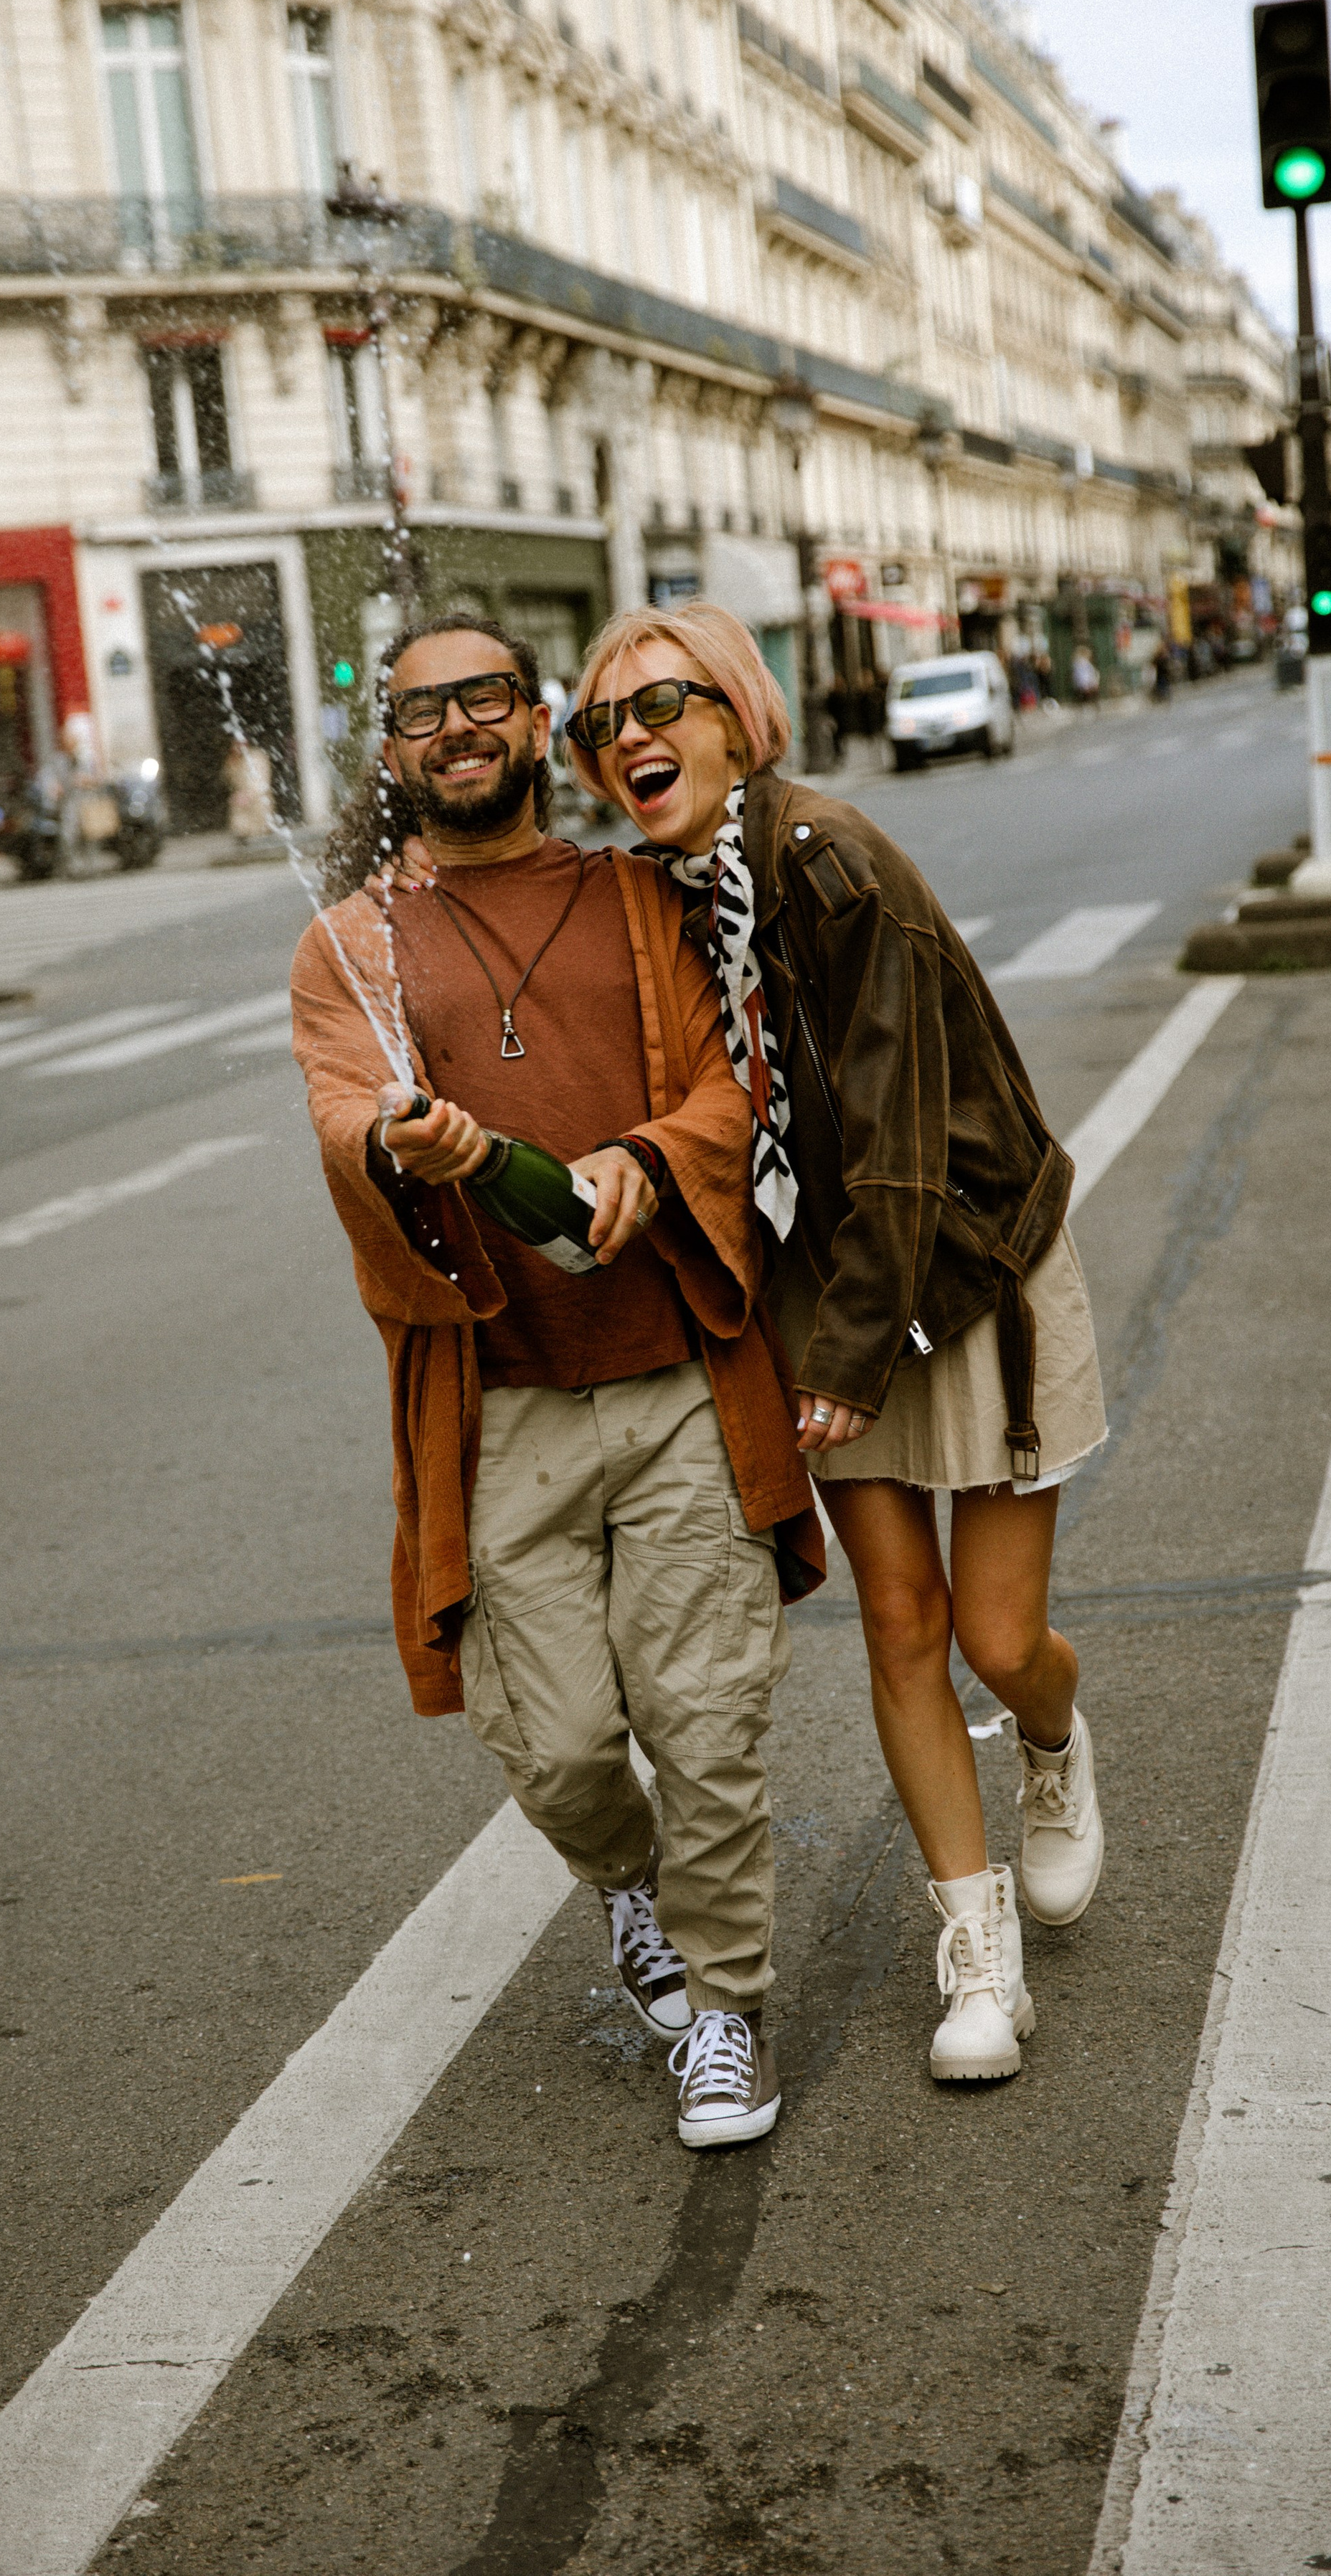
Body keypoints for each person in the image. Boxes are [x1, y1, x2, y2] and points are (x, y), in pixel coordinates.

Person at [291, 611, 824, 2149]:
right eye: (416, 715)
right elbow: (338, 1109)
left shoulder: (642, 895)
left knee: (707, 1717)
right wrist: (401, 1147)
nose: (452, 730)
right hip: (499, 1399)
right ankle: (628, 1891)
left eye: (480, 700)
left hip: (673, 1377)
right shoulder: (348, 944)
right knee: (568, 1746)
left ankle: (724, 2014)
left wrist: (647, 1162)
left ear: (537, 723)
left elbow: (742, 1076)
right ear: (389, 756)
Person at [555, 600, 1108, 2087]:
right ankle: (977, 1959)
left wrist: (851, 1355)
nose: (633, 737)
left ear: (739, 715)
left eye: (663, 703)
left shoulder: (827, 863)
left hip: (964, 1264)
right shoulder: (663, 898)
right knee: (899, 1622)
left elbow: (905, 1147)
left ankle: (1052, 1740)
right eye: (603, 722)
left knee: (998, 1641)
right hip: (830, 1301)